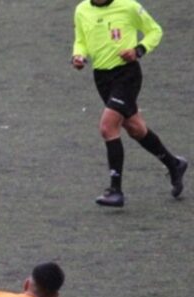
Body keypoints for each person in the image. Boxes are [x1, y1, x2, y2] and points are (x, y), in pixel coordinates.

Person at [72, 0, 187, 207]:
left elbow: (155, 31)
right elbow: (81, 40)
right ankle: (174, 164)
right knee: (135, 129)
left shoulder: (129, 6)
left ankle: (115, 190)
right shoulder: (81, 10)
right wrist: (78, 56)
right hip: (102, 78)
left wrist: (139, 50)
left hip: (127, 74)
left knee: (108, 126)